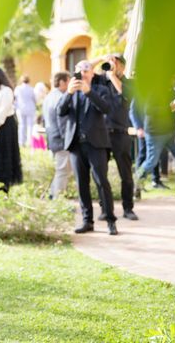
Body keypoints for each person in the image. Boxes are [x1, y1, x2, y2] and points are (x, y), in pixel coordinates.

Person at [58, 60, 118, 236]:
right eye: (79, 71)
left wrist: (89, 92)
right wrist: (68, 93)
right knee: (81, 184)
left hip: (96, 144)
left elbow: (106, 108)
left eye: (86, 70)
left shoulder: (101, 90)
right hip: (77, 145)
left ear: (92, 73)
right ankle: (87, 221)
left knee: (102, 182)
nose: (83, 74)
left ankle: (110, 220)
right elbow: (60, 111)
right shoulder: (71, 92)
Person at [91, 54, 138, 221]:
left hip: (120, 133)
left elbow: (125, 94)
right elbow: (82, 70)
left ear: (123, 67)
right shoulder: (100, 80)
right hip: (101, 134)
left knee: (125, 174)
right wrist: (101, 58)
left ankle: (128, 208)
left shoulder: (129, 82)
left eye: (116, 64)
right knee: (99, 175)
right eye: (111, 63)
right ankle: (105, 209)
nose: (112, 66)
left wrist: (112, 75)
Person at [134, 86, 175, 198]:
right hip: (155, 132)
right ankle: (136, 184)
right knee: (151, 162)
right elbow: (149, 110)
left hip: (170, 132)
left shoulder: (173, 92)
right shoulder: (152, 91)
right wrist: (170, 107)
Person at [0, 67, 22, 193]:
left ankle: (3, 187)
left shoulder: (6, 91)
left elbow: (2, 113)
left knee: (3, 157)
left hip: (5, 127)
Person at [43, 71, 73, 199]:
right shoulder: (60, 97)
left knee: (62, 170)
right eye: (68, 80)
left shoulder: (49, 96)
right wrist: (68, 140)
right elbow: (62, 122)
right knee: (63, 170)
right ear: (62, 82)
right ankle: (57, 199)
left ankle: (53, 194)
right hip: (61, 139)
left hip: (53, 138)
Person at [14, 75, 37, 147]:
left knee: (21, 125)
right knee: (30, 126)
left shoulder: (18, 89)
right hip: (30, 109)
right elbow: (34, 99)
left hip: (21, 109)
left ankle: (21, 142)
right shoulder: (31, 89)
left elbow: (15, 98)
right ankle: (29, 142)